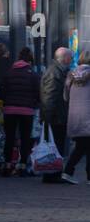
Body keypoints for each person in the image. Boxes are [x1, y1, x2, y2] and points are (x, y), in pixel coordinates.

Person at [0, 47, 41, 176]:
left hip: (10, 110)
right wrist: (35, 104)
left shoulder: (8, 73)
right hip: (26, 111)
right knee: (25, 138)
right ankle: (22, 165)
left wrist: (6, 104)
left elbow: (2, 93)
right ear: (30, 60)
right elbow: (38, 93)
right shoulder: (33, 74)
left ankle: (7, 164)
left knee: (9, 138)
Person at [40, 47, 73, 183]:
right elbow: (50, 97)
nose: (71, 60)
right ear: (64, 58)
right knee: (55, 146)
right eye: (70, 58)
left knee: (55, 147)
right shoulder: (55, 73)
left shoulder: (58, 71)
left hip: (56, 117)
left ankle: (53, 173)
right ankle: (52, 174)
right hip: (55, 118)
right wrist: (47, 120)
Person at [61, 48, 90, 184]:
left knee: (82, 145)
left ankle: (69, 171)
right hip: (88, 117)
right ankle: (68, 171)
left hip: (75, 117)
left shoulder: (70, 75)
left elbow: (65, 97)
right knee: (82, 147)